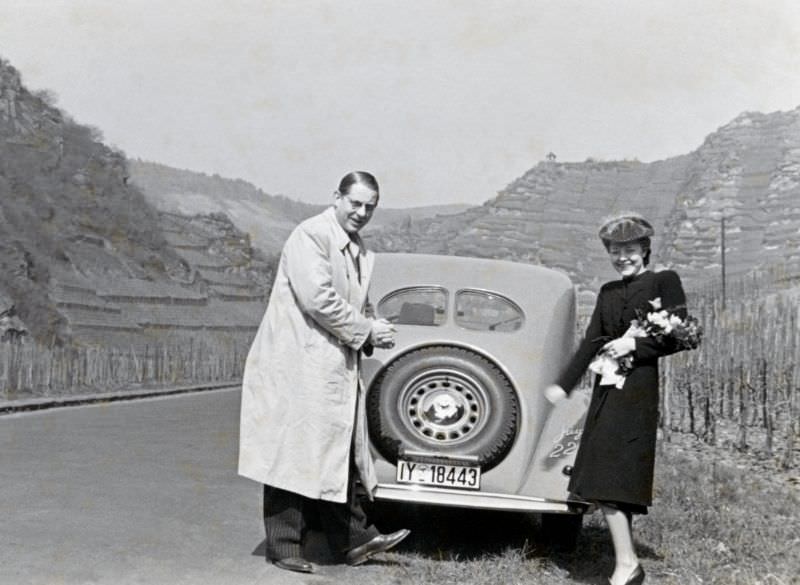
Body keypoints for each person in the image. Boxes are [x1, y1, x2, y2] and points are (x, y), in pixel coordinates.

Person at [238, 171, 410, 574]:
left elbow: (356, 304)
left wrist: (372, 329)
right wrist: (366, 330)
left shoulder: (360, 251)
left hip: (331, 363)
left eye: (370, 207)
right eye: (356, 203)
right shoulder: (310, 236)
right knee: (291, 449)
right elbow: (318, 299)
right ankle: (284, 544)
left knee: (336, 450)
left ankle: (351, 539)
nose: (362, 213)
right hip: (297, 360)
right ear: (337, 197)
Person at [544, 214, 691, 585]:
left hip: (638, 394)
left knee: (612, 478)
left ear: (645, 249)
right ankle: (627, 565)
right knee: (602, 478)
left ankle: (627, 565)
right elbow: (591, 340)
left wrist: (635, 344)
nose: (623, 257)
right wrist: (562, 385)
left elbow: (684, 336)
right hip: (606, 393)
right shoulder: (608, 292)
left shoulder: (664, 281)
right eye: (615, 251)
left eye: (629, 250)